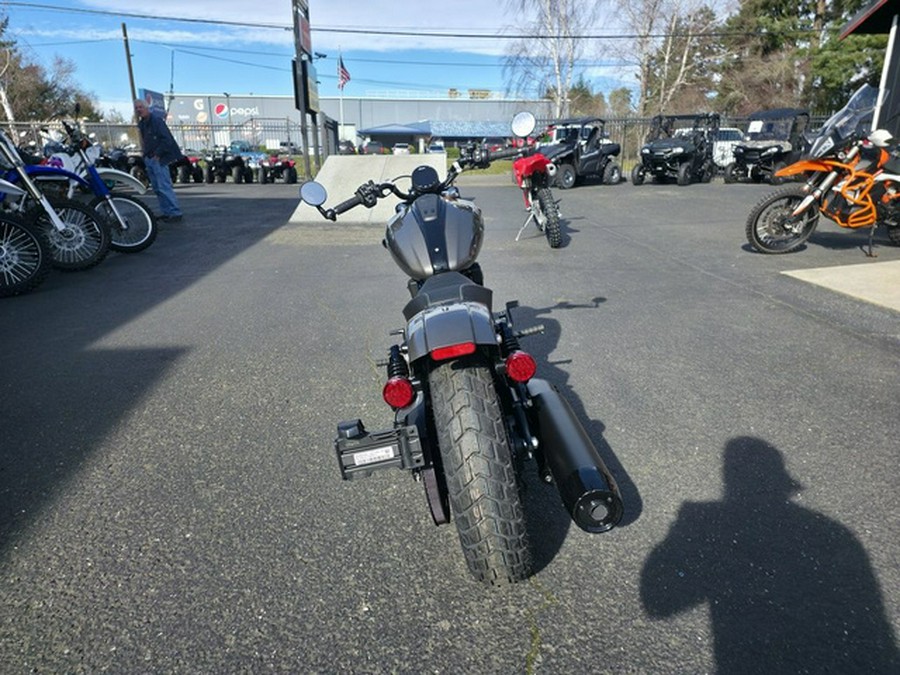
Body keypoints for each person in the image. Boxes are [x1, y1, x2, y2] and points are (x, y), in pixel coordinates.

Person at [134, 98, 183, 222]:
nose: (139, 110)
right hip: (149, 158)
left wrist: (158, 154)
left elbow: (167, 139)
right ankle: (167, 212)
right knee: (157, 188)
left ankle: (175, 212)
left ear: (147, 107)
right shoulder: (142, 124)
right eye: (137, 108)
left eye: (141, 107)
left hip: (158, 159)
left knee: (164, 186)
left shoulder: (156, 121)